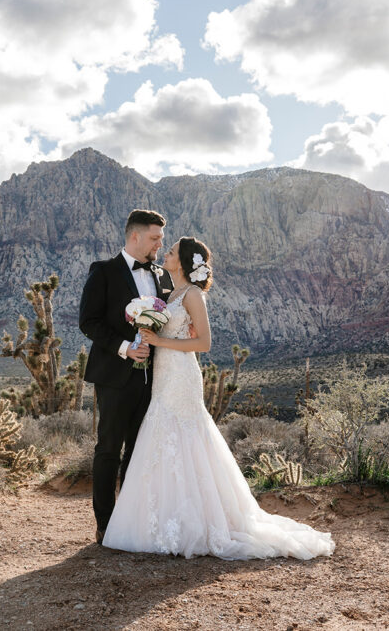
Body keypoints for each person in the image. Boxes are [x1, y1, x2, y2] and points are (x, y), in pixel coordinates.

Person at [102, 236, 335, 560]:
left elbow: (205, 343)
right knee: (161, 436)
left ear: (182, 262)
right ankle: (162, 521)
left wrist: (160, 341)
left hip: (182, 375)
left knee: (186, 436)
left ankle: (200, 523)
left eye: (170, 252)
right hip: (163, 375)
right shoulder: (172, 293)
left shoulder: (194, 295)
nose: (164, 254)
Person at [79, 209, 172, 545]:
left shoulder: (162, 275)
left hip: (154, 378)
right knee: (109, 449)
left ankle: (132, 521)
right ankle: (105, 525)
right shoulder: (103, 271)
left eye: (161, 239)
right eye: (154, 238)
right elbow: (88, 322)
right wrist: (124, 348)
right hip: (115, 376)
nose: (160, 244)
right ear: (135, 236)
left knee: (139, 450)